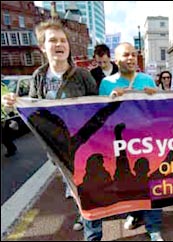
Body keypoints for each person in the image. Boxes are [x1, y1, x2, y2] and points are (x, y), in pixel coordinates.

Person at [1, 19, 98, 232]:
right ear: (43, 48)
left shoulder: (83, 75)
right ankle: (86, 215)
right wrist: (15, 102)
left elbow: (96, 108)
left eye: (63, 40)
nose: (60, 44)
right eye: (53, 40)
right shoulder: (39, 76)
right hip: (55, 149)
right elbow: (33, 108)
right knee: (73, 189)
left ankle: (93, 229)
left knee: (85, 187)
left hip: (82, 146)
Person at [83, 42, 163, 241]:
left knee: (151, 183)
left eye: (134, 54)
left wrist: (156, 95)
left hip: (145, 141)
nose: (131, 58)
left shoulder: (146, 79)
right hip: (120, 143)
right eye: (126, 55)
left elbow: (159, 109)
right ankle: (134, 214)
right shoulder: (107, 83)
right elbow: (101, 115)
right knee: (127, 182)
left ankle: (154, 228)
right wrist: (110, 99)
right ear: (116, 60)